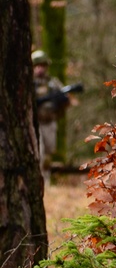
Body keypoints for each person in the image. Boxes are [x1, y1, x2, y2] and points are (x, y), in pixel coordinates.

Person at [32, 50, 69, 184]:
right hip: (35, 124)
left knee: (48, 153)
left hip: (50, 122)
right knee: (39, 153)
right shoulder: (29, 84)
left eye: (42, 65)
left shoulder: (53, 83)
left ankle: (46, 180)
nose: (39, 68)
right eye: (36, 66)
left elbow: (65, 100)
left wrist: (61, 101)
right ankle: (38, 180)